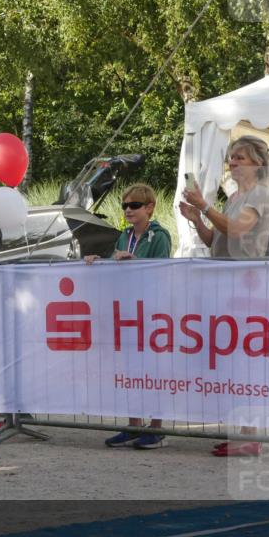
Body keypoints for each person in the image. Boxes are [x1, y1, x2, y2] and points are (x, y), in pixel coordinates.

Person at [179, 135, 269, 456]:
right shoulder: (235, 196)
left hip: (247, 289)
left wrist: (205, 205)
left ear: (257, 164)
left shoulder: (260, 195)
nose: (232, 162)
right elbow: (216, 241)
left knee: (244, 365)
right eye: (231, 157)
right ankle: (242, 433)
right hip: (229, 287)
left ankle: (250, 437)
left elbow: (236, 230)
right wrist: (197, 220)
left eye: (240, 158)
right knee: (233, 364)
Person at [85, 184, 172, 449]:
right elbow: (117, 264)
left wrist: (134, 262)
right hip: (128, 311)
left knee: (153, 371)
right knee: (131, 370)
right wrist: (99, 260)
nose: (128, 210)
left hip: (153, 311)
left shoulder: (159, 236)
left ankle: (156, 429)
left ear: (149, 207)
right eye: (124, 205)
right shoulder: (124, 235)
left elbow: (163, 270)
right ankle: (133, 426)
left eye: (134, 205)